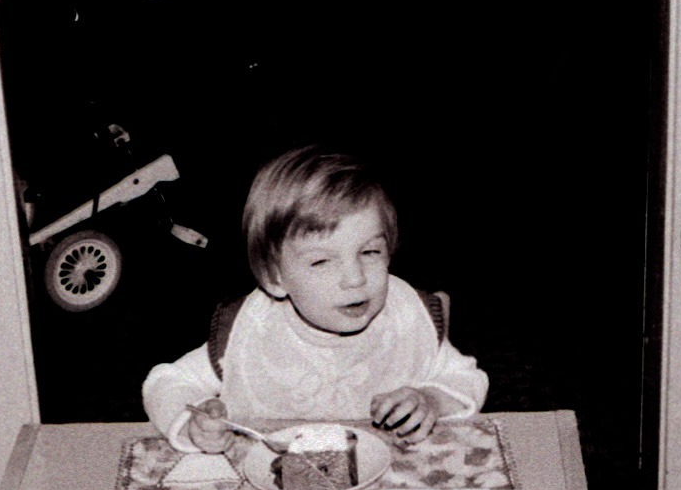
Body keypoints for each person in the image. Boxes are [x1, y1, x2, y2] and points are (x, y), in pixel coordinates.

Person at [143, 145, 488, 453]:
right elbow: (166, 382)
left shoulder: (406, 314)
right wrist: (195, 424)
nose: (355, 279)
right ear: (275, 278)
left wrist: (432, 399)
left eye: (369, 252)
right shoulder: (248, 329)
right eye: (322, 261)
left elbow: (468, 379)